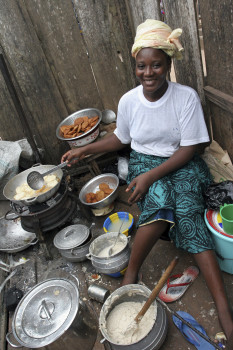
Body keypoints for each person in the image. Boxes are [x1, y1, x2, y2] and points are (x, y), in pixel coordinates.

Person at [62, 19, 233, 348]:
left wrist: (153, 175)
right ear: (135, 65)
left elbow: (191, 147)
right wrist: (84, 149)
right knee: (158, 198)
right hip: (144, 163)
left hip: (181, 163)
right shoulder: (128, 102)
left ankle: (223, 308)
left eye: (157, 64)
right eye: (142, 65)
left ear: (168, 64)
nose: (149, 72)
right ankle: (131, 275)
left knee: (185, 209)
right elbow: (120, 140)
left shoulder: (185, 98)